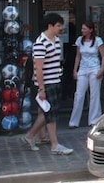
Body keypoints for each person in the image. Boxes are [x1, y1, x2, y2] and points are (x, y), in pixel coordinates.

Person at [22, 12, 73, 155]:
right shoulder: (40, 43)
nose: (60, 28)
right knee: (50, 114)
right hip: (46, 82)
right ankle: (53, 144)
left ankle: (35, 136)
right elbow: (38, 68)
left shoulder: (57, 41)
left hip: (55, 80)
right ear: (50, 26)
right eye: (58, 25)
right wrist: (41, 88)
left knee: (45, 112)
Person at [68, 20, 104, 129]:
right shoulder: (79, 40)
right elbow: (78, 56)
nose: (82, 30)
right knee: (79, 95)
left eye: (84, 28)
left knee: (94, 94)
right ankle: (74, 121)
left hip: (95, 68)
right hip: (83, 69)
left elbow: (103, 55)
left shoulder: (98, 41)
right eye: (82, 28)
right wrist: (75, 70)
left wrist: (102, 69)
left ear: (90, 30)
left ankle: (94, 119)